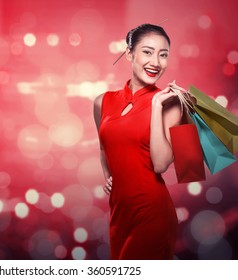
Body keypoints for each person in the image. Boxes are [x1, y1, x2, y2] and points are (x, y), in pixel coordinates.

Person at [93, 23, 185, 259]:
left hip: (153, 213)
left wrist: (156, 106)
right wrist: (109, 178)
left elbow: (161, 164)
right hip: (119, 214)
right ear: (129, 53)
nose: (156, 61)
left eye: (163, 55)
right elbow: (105, 147)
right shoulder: (102, 102)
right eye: (147, 51)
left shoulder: (170, 103)